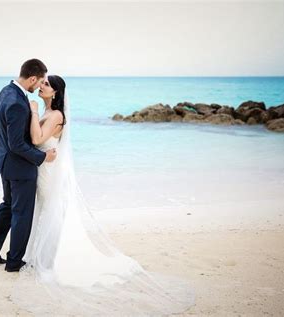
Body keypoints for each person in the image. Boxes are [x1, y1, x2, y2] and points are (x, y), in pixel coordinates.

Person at [11, 75, 196, 316]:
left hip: (49, 171)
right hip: (44, 166)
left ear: (55, 93)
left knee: (50, 210)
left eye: (47, 84)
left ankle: (49, 258)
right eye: (42, 83)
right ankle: (40, 254)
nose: (42, 86)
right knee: (44, 210)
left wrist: (33, 111)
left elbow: (37, 139)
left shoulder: (55, 115)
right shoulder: (48, 112)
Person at [0, 59, 57, 272]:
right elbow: (17, 144)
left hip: (5, 164)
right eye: (40, 81)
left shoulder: (5, 92)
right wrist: (42, 158)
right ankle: (14, 261)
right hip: (20, 168)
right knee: (21, 213)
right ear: (32, 78)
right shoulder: (16, 102)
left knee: (7, 206)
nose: (39, 86)